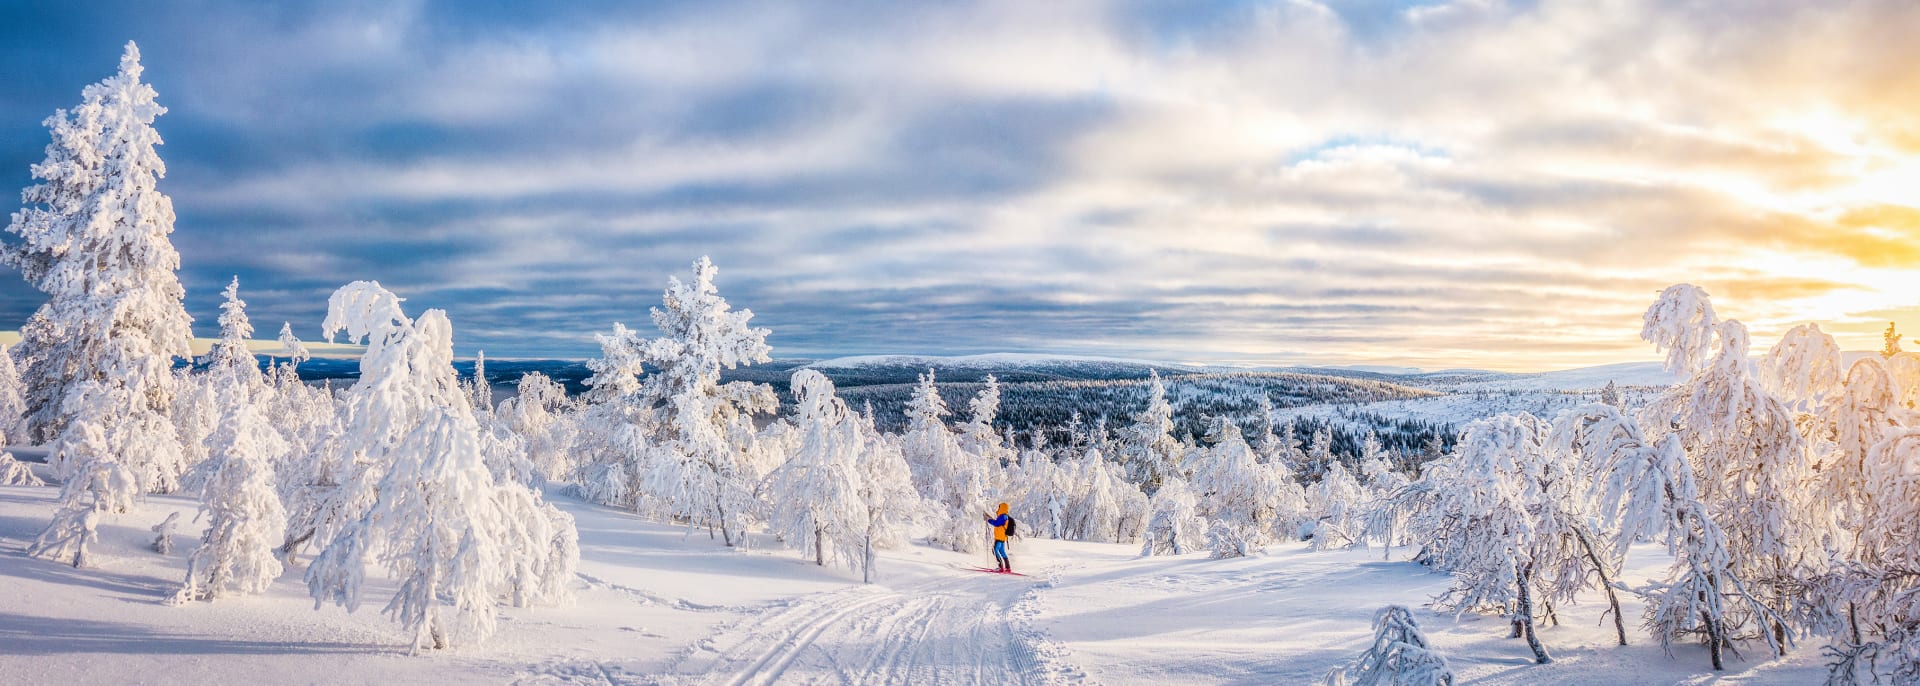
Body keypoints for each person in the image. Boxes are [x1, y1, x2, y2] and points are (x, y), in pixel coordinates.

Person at [982, 502, 1013, 572]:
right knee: (1002, 551)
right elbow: (998, 523)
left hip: (999, 537)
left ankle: (1000, 567)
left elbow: (996, 523)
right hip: (1002, 537)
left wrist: (988, 520)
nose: (998, 509)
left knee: (995, 550)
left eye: (999, 507)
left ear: (1002, 508)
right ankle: (1008, 567)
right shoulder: (1005, 516)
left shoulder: (1002, 516)